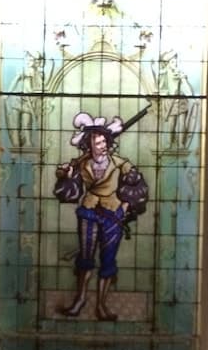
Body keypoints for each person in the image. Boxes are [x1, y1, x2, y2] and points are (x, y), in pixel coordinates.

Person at [54, 112, 148, 321]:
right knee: (85, 259)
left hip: (112, 216)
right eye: (98, 143)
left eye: (105, 141)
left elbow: (139, 187)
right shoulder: (81, 165)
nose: (103, 146)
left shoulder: (121, 164)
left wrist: (125, 207)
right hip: (88, 214)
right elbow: (69, 193)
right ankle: (79, 301)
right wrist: (66, 177)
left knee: (108, 260)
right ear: (89, 145)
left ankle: (101, 306)